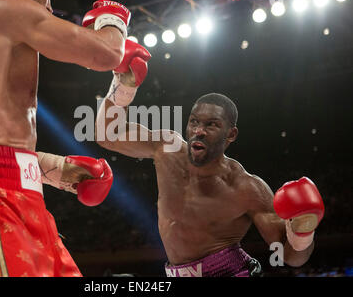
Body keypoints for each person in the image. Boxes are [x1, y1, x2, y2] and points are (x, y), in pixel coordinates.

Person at [0, 0, 130, 277]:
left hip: (17, 196)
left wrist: (56, 170)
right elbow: (106, 54)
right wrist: (113, 19)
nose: (52, 0)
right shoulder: (6, 9)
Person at [95, 40, 325, 277]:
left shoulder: (246, 187)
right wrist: (123, 86)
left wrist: (301, 232)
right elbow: (107, 135)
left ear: (231, 135)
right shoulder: (166, 148)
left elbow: (286, 257)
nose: (199, 131)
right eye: (194, 122)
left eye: (211, 125)